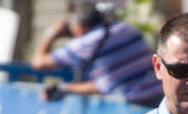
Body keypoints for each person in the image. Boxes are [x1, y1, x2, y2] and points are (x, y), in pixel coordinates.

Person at [31, 1, 162, 106]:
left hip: (134, 104)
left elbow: (38, 63)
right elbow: (106, 82)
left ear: (80, 26)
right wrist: (65, 89)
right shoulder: (126, 29)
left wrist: (52, 34)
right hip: (161, 95)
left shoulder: (84, 45)